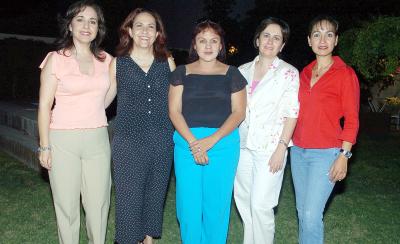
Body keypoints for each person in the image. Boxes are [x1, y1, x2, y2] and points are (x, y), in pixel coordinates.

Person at [37, 1, 113, 243]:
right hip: (62, 140)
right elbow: (44, 106)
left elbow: (107, 97)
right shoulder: (55, 59)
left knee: (98, 205)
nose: (86, 26)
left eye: (92, 21)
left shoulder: (107, 60)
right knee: (67, 206)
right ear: (69, 25)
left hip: (98, 139)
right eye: (80, 19)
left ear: (98, 28)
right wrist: (45, 146)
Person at [168, 20, 247, 244]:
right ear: (194, 44)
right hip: (187, 145)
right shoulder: (181, 73)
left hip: (222, 146)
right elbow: (174, 111)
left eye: (214, 41)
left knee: (216, 206)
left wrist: (211, 140)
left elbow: (238, 113)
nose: (208, 45)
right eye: (202, 40)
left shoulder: (233, 74)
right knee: (188, 207)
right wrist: (195, 143)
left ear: (221, 46)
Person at [108, 8, 176, 244]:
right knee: (129, 199)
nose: (145, 31)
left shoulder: (166, 61)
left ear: (158, 33)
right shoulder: (118, 63)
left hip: (162, 139)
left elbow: (177, 101)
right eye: (139, 25)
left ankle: (148, 240)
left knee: (155, 196)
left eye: (151, 26)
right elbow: (103, 100)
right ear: (129, 30)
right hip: (128, 142)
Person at [291, 15, 360, 244]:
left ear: (336, 40)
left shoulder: (345, 73)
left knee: (311, 214)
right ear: (309, 41)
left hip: (326, 153)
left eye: (329, 34)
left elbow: (352, 119)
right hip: (298, 152)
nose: (323, 40)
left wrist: (344, 155)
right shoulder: (303, 73)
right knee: (303, 213)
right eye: (317, 35)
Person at [233, 17, 299, 244]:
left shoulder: (288, 73)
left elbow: (292, 112)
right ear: (258, 39)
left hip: (270, 148)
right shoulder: (242, 71)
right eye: (266, 35)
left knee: (262, 204)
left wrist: (282, 147)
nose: (270, 41)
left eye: (277, 38)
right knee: (244, 200)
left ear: (282, 45)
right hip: (242, 146)